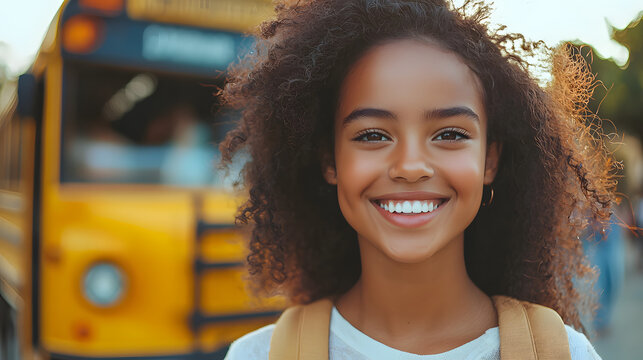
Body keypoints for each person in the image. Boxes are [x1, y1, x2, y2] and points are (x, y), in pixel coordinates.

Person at [219, 0, 616, 358]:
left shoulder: (563, 353)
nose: (411, 166)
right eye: (372, 135)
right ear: (330, 161)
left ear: (489, 160)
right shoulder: (258, 355)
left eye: (450, 134)